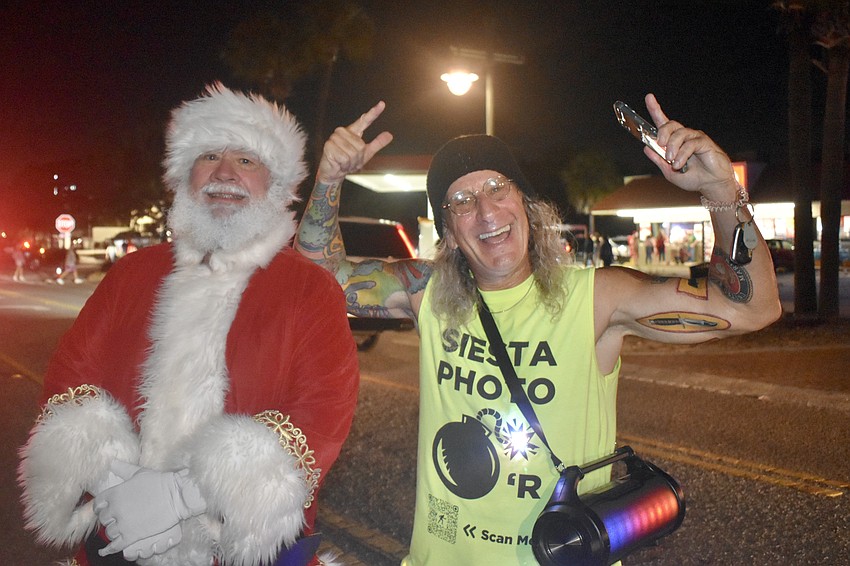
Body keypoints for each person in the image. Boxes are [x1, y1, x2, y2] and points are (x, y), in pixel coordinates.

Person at [295, 94, 781, 565]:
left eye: (497, 188)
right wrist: (329, 179)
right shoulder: (428, 292)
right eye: (461, 200)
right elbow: (317, 281)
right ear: (447, 231)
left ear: (525, 202)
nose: (486, 212)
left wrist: (719, 192)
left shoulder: (597, 298)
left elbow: (752, 309)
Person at [18, 83, 358, 566]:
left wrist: (183, 495)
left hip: (241, 547)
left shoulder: (311, 289)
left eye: (246, 160)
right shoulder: (133, 274)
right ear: (185, 176)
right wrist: (116, 484)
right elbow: (71, 376)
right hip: (118, 537)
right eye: (209, 155)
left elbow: (322, 416)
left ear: (275, 185)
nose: (224, 173)